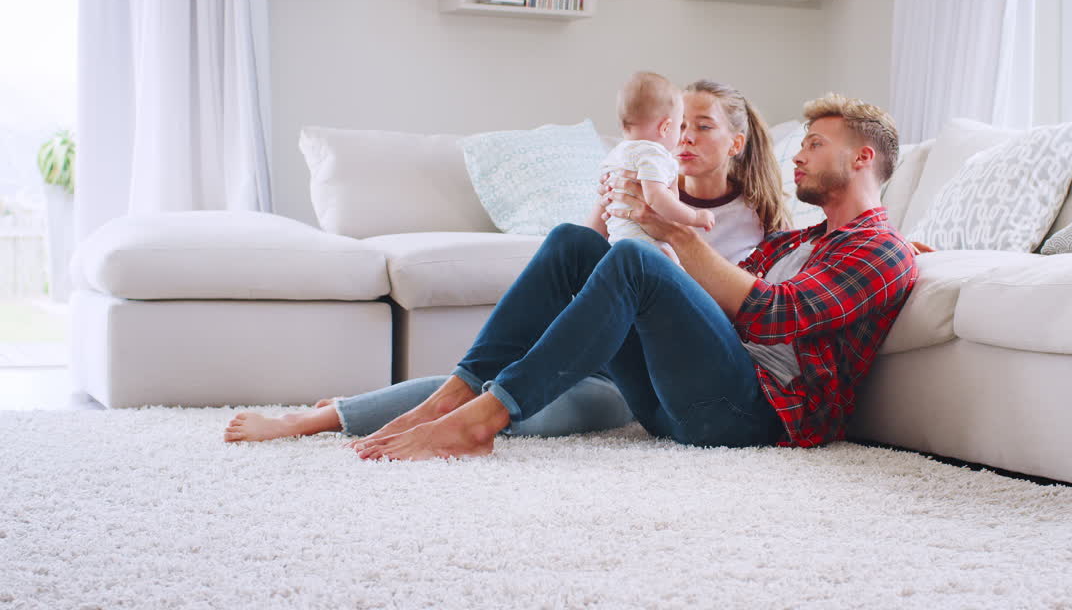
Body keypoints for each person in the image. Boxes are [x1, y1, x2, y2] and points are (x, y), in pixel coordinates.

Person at [331, 92, 917, 459]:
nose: (797, 155)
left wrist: (672, 234)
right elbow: (709, 300)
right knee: (575, 244)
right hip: (678, 403)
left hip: (752, 416)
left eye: (814, 144)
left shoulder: (881, 250)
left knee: (636, 260)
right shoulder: (802, 241)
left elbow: (775, 312)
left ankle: (485, 417)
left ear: (863, 158)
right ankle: (455, 398)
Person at [223, 78, 790, 445]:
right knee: (566, 247)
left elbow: (753, 320)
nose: (685, 138)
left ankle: (458, 413)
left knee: (526, 400)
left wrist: (673, 238)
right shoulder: (649, 183)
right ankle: (326, 418)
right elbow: (587, 264)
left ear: (736, 144)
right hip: (621, 362)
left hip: (685, 377)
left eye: (703, 127)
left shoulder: (764, 218)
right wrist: (605, 203)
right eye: (681, 125)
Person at [601, 72, 715, 261]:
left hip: (616, 243)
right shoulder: (654, 154)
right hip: (645, 245)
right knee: (675, 268)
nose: (684, 136)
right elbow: (655, 197)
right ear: (665, 127)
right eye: (681, 126)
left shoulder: (616, 154)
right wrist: (693, 218)